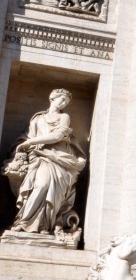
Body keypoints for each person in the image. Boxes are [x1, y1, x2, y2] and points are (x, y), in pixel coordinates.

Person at [3, 89, 86, 236]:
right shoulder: (38, 118)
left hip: (60, 158)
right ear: (52, 98)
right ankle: (24, 222)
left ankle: (45, 225)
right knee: (41, 185)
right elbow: (27, 136)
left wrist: (30, 142)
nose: (64, 103)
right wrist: (24, 145)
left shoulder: (64, 117)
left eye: (66, 101)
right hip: (39, 157)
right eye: (61, 99)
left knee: (52, 189)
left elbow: (57, 135)